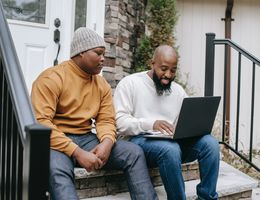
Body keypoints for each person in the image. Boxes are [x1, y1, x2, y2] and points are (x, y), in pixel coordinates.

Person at [31, 27, 158, 200]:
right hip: (56, 140)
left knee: (133, 152)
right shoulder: (52, 78)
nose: (103, 59)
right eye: (98, 53)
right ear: (80, 53)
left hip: (86, 137)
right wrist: (77, 153)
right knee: (57, 170)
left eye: (104, 53)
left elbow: (106, 120)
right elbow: (42, 122)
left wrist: (106, 142)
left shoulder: (101, 84)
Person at [113, 45, 220, 200]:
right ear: (152, 63)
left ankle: (207, 197)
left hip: (171, 141)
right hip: (139, 141)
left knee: (210, 143)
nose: (168, 75)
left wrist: (188, 128)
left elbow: (186, 119)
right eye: (163, 68)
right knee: (170, 149)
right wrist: (151, 123)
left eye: (173, 70)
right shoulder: (130, 83)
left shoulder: (177, 90)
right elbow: (120, 122)